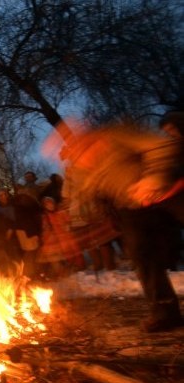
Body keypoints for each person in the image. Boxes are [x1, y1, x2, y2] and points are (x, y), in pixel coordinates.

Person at [52, 113, 183, 332]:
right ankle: (165, 311)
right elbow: (86, 192)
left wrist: (154, 178)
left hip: (166, 192)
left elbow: (161, 146)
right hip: (131, 208)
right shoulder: (82, 166)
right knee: (142, 256)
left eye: (75, 139)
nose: (75, 148)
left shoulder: (115, 135)